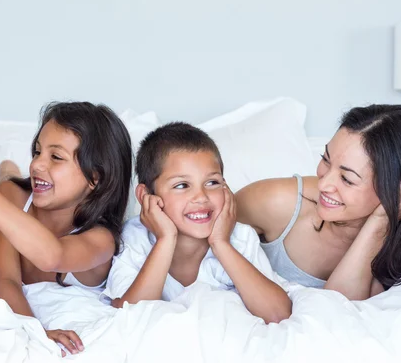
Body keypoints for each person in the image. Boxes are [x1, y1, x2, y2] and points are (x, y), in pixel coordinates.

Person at [0, 101, 132, 355]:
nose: (37, 164)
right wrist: (35, 330)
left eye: (56, 157)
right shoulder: (12, 196)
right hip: (9, 204)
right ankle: (7, 171)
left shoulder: (100, 240)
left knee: (3, 187)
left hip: (21, 211)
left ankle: (7, 171)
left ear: (95, 179)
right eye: (37, 152)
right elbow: (6, 280)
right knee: (6, 184)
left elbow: (52, 256)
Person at [103, 122, 292, 324]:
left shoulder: (240, 238)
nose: (201, 197)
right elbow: (131, 317)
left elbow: (278, 314)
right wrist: (165, 239)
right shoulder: (133, 238)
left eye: (212, 183)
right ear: (146, 196)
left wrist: (221, 244)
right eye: (182, 185)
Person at [235, 104, 401, 299]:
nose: (324, 184)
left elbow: (338, 311)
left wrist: (380, 221)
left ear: (400, 192)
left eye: (347, 179)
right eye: (325, 159)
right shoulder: (275, 201)